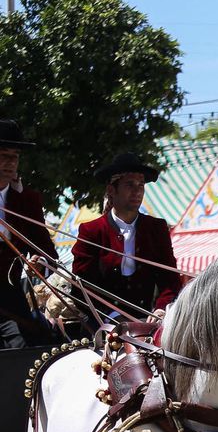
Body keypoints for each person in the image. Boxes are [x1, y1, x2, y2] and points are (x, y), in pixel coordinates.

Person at [70, 152, 183, 317]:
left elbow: (170, 281)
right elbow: (81, 288)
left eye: (141, 185)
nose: (137, 191)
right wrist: (111, 316)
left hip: (150, 321)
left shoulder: (156, 228)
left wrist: (161, 310)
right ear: (111, 190)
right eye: (130, 185)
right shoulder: (91, 231)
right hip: (103, 322)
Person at [0, 119, 60, 345]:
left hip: (10, 301)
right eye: (4, 154)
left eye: (15, 156)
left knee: (26, 349)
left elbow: (48, 255)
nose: (10, 162)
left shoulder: (28, 201)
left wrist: (40, 262)